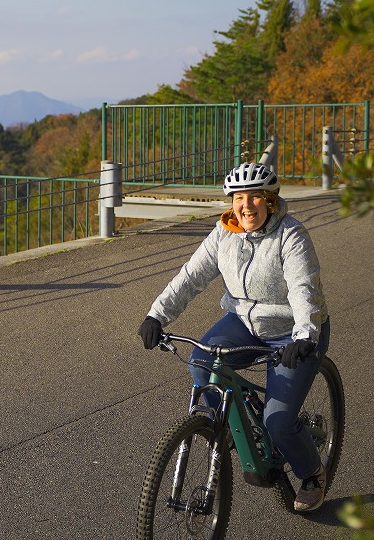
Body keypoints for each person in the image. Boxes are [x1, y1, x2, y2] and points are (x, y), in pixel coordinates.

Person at [137, 161, 331, 512]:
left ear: (269, 201)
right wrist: (156, 314)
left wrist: (304, 335)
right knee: (200, 362)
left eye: (255, 197)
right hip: (244, 322)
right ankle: (226, 432)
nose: (246, 205)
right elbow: (191, 276)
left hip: (293, 332)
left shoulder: (291, 235)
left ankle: (312, 472)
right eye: (239, 197)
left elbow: (305, 289)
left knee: (278, 421)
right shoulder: (223, 233)